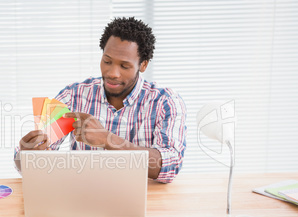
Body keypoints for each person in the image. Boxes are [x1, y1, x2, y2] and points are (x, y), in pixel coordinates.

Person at [15, 17, 186, 183]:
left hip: (146, 202)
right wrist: (27, 155)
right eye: (107, 61)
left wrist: (108, 140)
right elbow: (32, 160)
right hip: (81, 199)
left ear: (143, 65)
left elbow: (170, 165)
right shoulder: (73, 95)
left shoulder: (165, 101)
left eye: (124, 66)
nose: (112, 73)